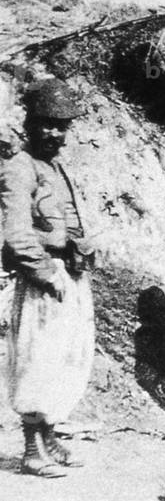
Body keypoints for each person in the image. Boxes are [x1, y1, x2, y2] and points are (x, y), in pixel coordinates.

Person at [1, 78, 93, 478]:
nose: (56, 133)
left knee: (64, 361)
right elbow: (16, 234)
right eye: (48, 124)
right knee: (37, 362)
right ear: (30, 123)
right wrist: (43, 271)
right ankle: (31, 447)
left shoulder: (54, 167)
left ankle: (50, 435)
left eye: (62, 126)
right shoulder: (18, 169)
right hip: (44, 282)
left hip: (70, 276)